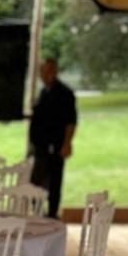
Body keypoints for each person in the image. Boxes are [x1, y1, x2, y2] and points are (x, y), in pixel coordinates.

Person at [28, 57, 77, 219]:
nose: (46, 74)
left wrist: (67, 143)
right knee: (35, 183)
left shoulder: (65, 94)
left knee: (54, 182)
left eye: (50, 71)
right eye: (43, 71)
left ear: (56, 72)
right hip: (40, 146)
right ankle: (39, 214)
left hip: (55, 145)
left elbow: (71, 121)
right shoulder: (43, 93)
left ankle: (52, 214)